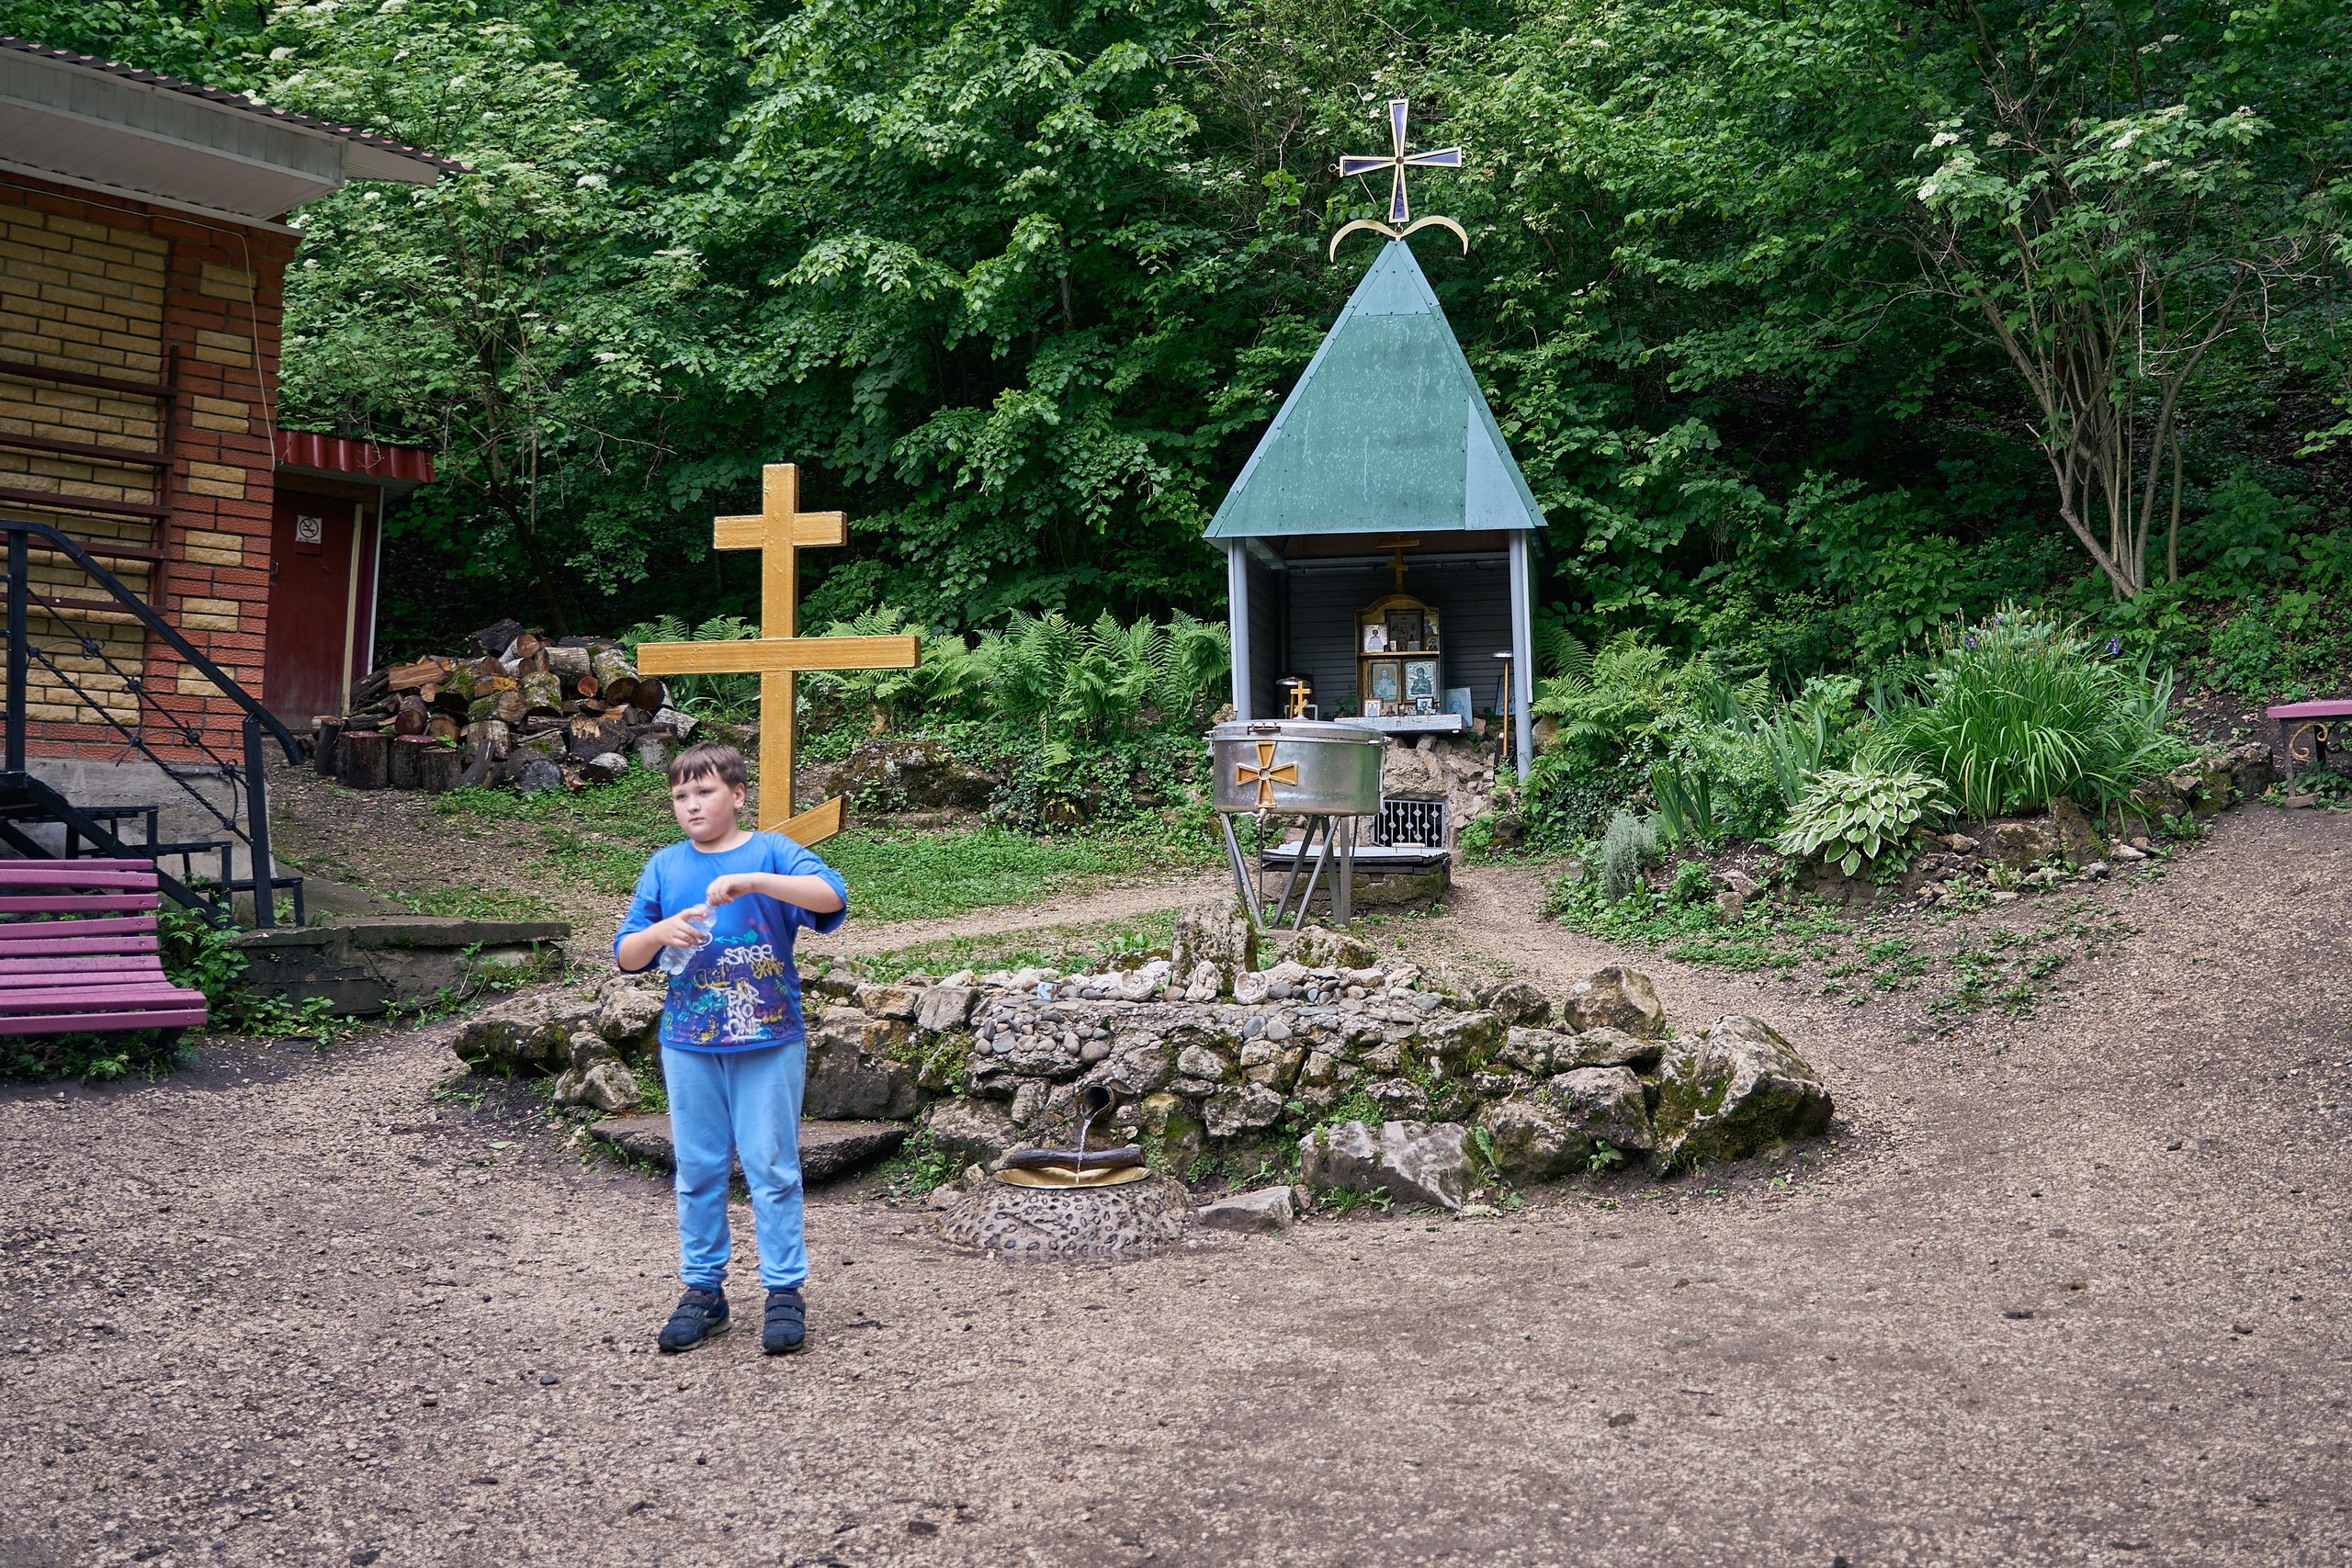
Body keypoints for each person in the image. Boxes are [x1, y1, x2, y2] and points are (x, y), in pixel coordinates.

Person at [613, 742, 847, 1355]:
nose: (691, 804)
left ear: (738, 794)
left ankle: (783, 1292)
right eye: (680, 795)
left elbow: (832, 896)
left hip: (769, 1037)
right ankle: (704, 1292)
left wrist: (753, 881)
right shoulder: (664, 866)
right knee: (698, 1170)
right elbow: (626, 954)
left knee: (771, 1167)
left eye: (705, 791)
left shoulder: (771, 850)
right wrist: (660, 931)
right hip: (689, 1041)